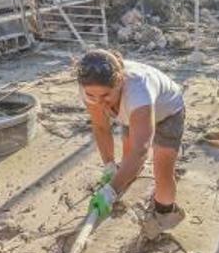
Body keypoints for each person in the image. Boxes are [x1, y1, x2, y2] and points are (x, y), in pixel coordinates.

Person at [77, 49, 187, 239]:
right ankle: (122, 182)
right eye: (91, 96)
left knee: (162, 170)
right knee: (127, 162)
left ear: (119, 83)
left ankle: (164, 216)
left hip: (168, 112)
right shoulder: (90, 87)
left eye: (105, 96)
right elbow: (101, 127)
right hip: (131, 114)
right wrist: (110, 166)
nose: (99, 103)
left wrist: (109, 191)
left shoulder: (138, 91)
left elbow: (140, 151)